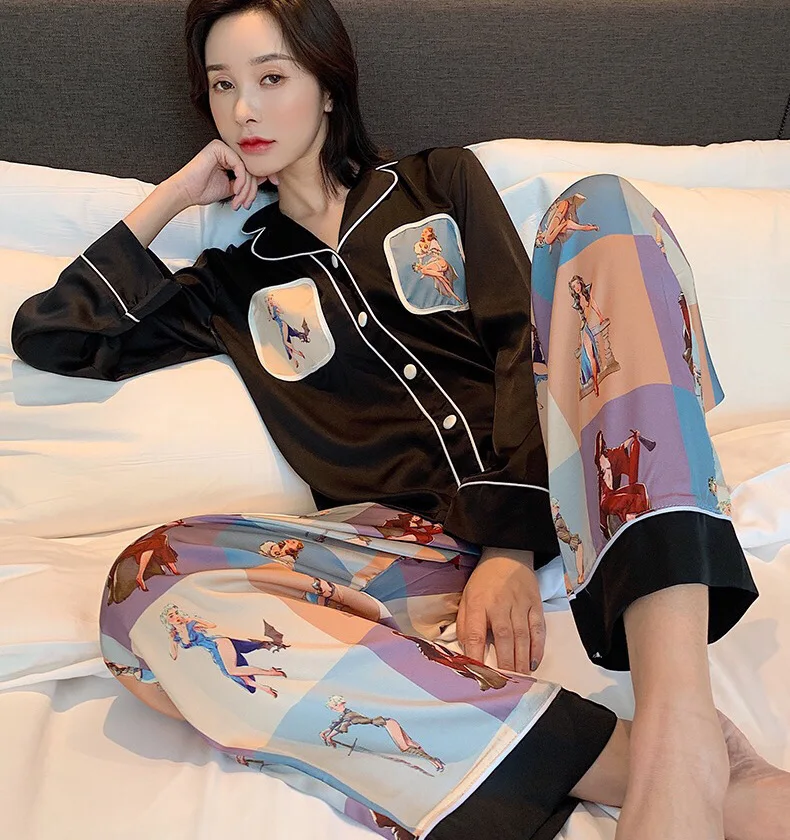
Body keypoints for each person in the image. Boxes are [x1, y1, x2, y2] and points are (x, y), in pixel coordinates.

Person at [9, 1, 786, 839]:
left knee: (598, 209)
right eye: (222, 86)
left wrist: (508, 547)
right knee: (144, 585)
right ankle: (634, 762)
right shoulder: (230, 283)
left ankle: (680, 727)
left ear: (327, 85)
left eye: (271, 78)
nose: (244, 110)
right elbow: (53, 334)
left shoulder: (438, 185)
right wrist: (173, 195)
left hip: (578, 494)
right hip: (405, 555)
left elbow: (518, 345)